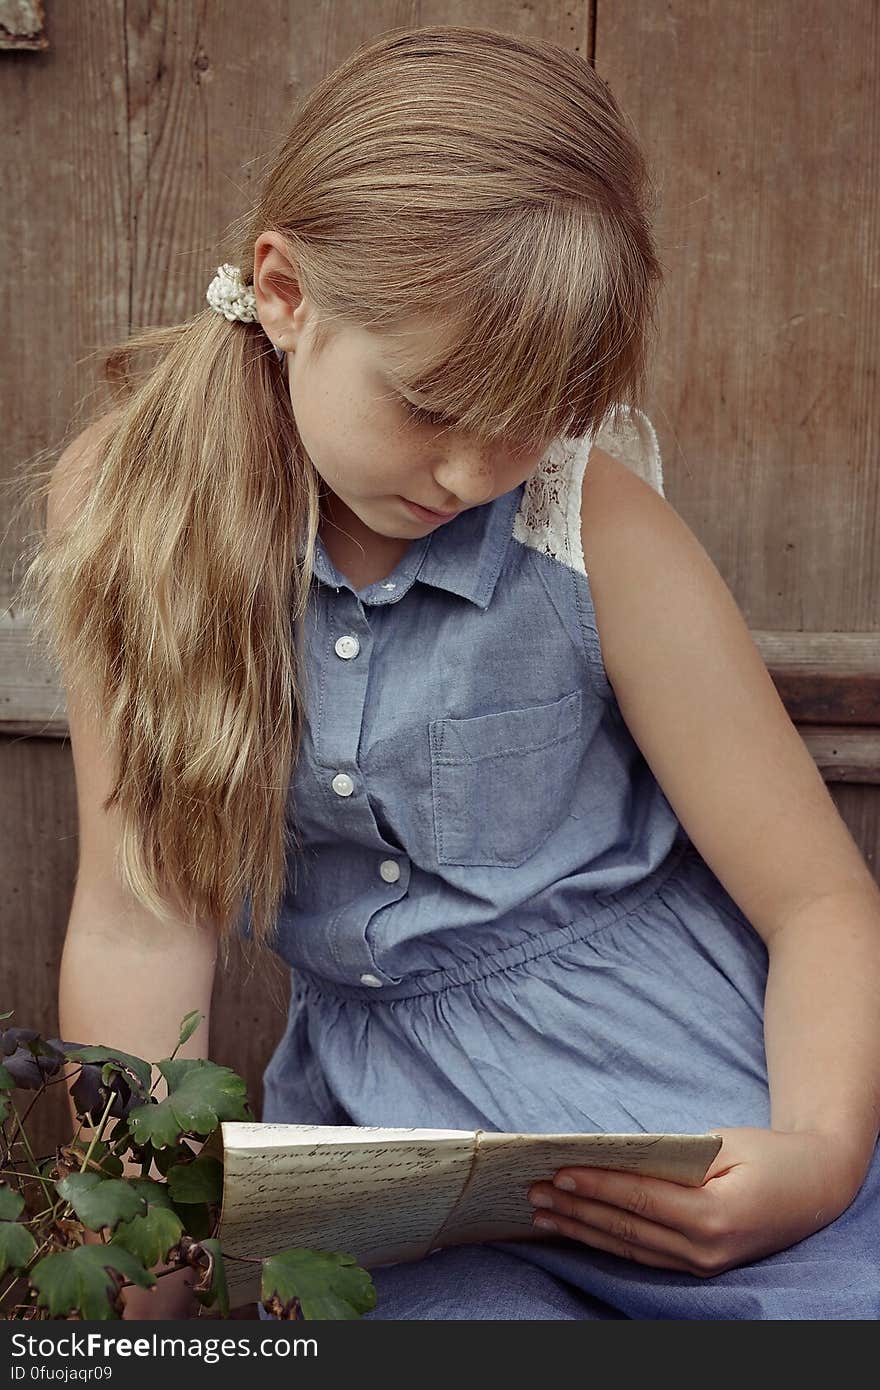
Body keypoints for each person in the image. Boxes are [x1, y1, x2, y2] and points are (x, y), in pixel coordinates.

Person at [24, 25, 880, 1321]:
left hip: (679, 1121)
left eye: (528, 415)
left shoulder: (590, 528)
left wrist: (817, 1157)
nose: (475, 473)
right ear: (286, 292)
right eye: (430, 405)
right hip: (395, 1165)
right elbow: (140, 918)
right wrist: (136, 1244)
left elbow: (823, 901)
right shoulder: (131, 504)